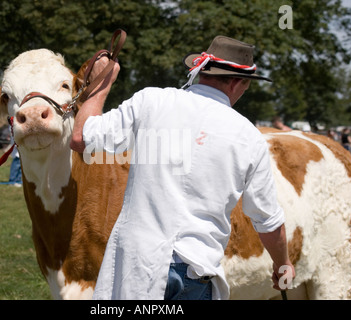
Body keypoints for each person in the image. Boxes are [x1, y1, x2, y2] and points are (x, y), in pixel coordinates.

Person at [70, 35, 295, 300]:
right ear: (238, 82)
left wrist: (101, 83)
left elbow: (81, 137)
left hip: (139, 267)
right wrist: (283, 264)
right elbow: (267, 221)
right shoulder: (250, 137)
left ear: (202, 72)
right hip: (196, 271)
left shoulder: (151, 101)